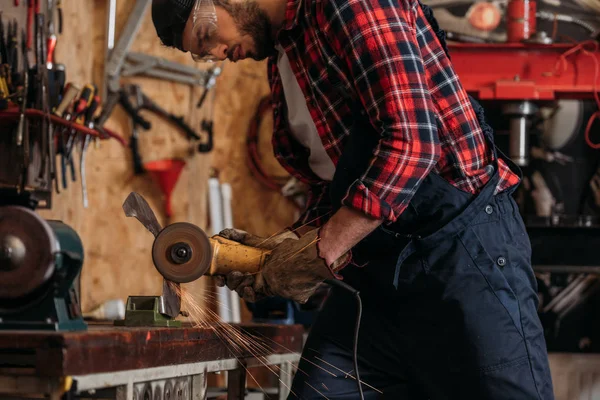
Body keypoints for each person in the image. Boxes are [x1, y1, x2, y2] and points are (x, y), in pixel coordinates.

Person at [151, 0, 555, 398]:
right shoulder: (285, 57)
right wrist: (287, 247)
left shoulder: (346, 5)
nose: (221, 54)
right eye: (205, 54)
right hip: (376, 274)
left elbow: (411, 141)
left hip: (461, 259)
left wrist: (323, 251)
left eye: (209, 36)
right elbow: (340, 187)